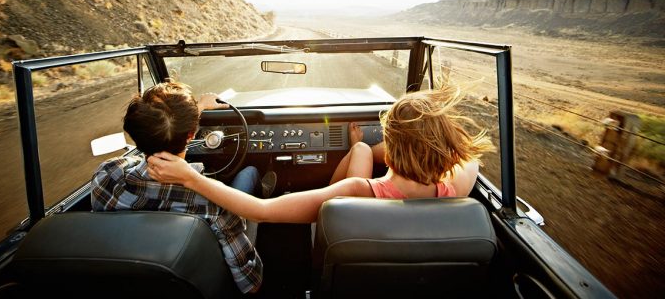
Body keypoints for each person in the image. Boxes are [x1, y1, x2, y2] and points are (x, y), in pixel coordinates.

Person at [147, 86, 494, 224]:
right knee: (359, 149)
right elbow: (469, 159)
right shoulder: (457, 189)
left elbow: (262, 211)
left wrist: (190, 176)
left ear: (390, 148)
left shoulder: (355, 192)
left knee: (357, 153)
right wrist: (432, 143)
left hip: (342, 240)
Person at [90, 81, 266, 294]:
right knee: (249, 173)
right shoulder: (214, 204)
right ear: (191, 136)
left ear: (136, 136)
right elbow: (251, 284)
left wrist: (194, 113)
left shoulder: (107, 175)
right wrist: (194, 116)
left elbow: (161, 130)